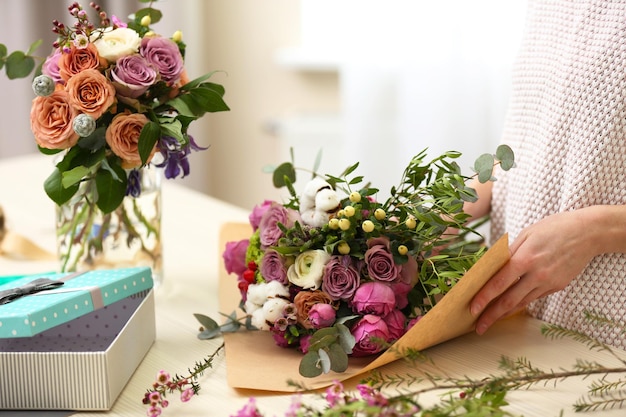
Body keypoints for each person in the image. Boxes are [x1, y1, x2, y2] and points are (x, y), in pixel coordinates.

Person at [465, 0, 626, 349]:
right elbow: (538, 138)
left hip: (613, 336)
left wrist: (596, 231)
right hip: (526, 329)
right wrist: (460, 202)